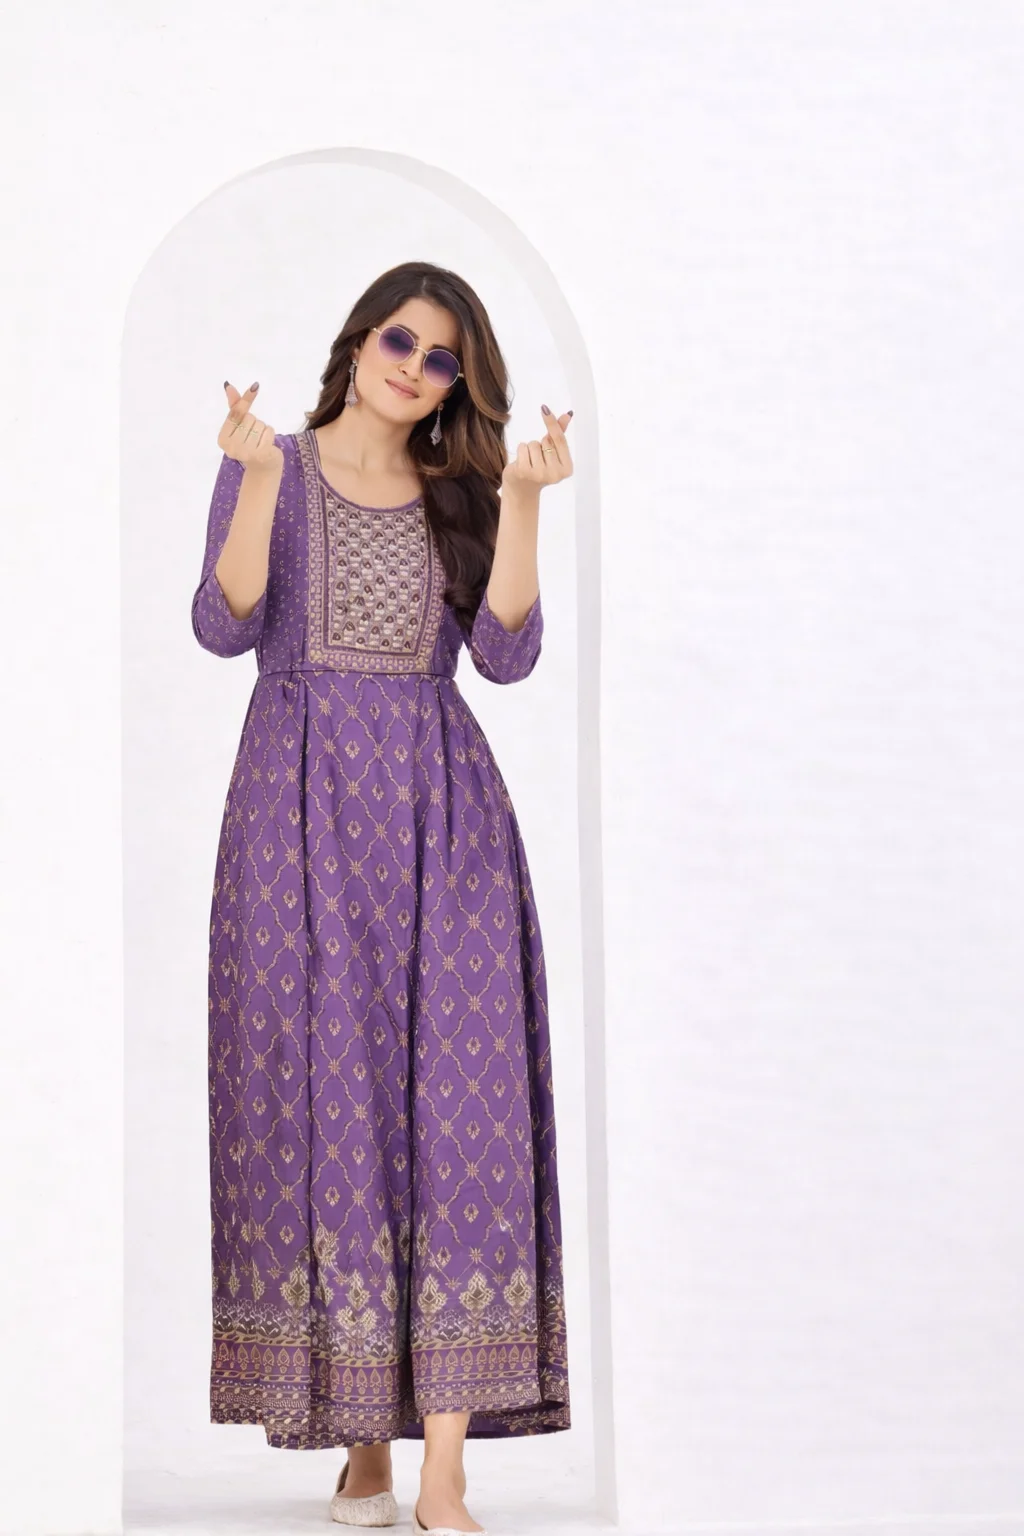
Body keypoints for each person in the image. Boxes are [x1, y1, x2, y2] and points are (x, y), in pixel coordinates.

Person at [190, 261, 574, 1536]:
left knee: (462, 1114)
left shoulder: (461, 491)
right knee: (334, 1110)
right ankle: (364, 1447)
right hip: (294, 822)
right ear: (358, 343)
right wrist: (253, 478)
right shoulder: (274, 466)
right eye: (400, 340)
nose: (414, 367)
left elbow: (506, 653)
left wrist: (523, 498)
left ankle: (444, 1474)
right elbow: (224, 625)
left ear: (456, 384)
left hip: (443, 820)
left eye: (441, 358)